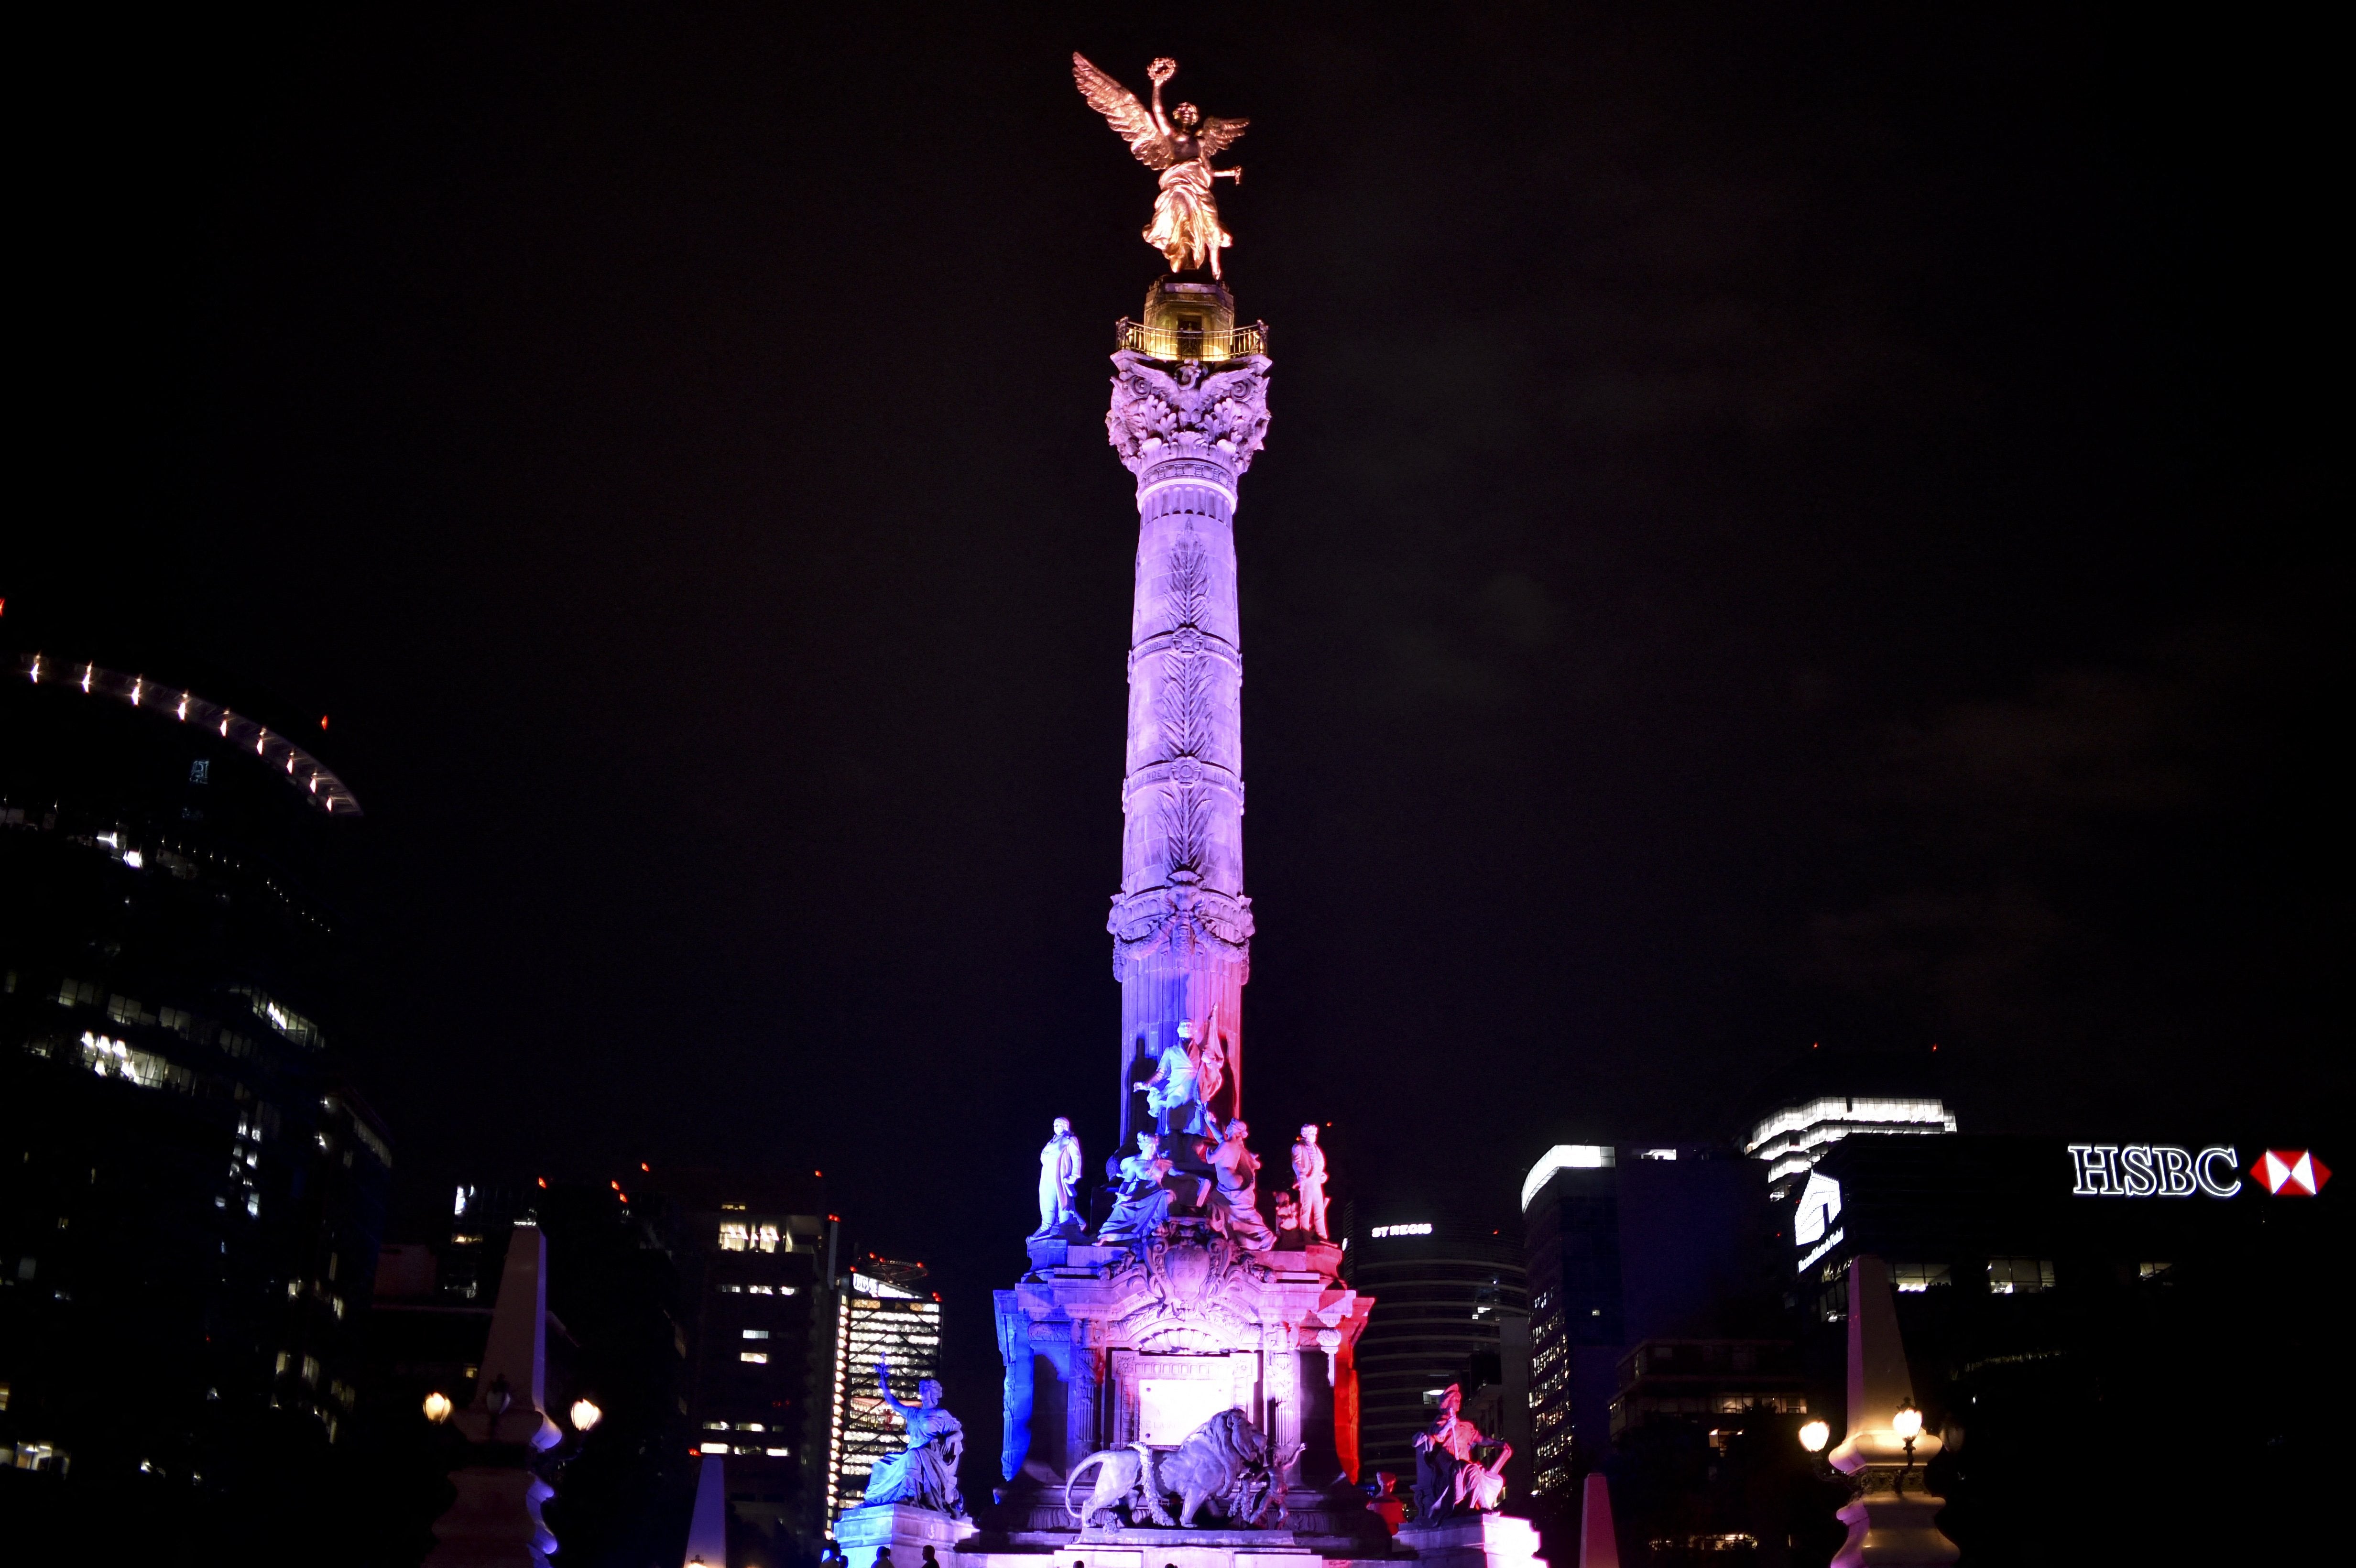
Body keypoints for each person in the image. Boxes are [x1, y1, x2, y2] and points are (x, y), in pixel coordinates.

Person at [863, 1362, 966, 1515]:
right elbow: (894, 1404)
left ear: (932, 1393)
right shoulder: (913, 1413)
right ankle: (875, 1500)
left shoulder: (940, 1414)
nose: (921, 1392)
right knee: (881, 1465)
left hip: (931, 1455)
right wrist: (884, 1383)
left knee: (914, 1455)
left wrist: (950, 1439)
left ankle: (911, 1494)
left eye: (925, 1390)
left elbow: (959, 1433)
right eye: (921, 1389)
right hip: (913, 1453)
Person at [1098, 1131, 1176, 1244]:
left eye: (1155, 1146)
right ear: (1145, 1146)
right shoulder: (1136, 1164)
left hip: (1155, 1194)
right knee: (1122, 1207)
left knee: (1166, 1196)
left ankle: (1159, 1227)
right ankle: (1108, 1236)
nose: (1154, 1148)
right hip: (1138, 1194)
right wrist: (1122, 1195)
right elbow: (1127, 1182)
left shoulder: (1161, 1163)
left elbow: (1177, 1173)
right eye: (1152, 1146)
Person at [1209, 1118, 1276, 1250]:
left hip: (1231, 1183)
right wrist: (1209, 1122)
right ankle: (1257, 1235)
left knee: (1245, 1212)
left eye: (1229, 1126)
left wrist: (1208, 1153)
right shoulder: (1233, 1145)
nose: (1226, 1127)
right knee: (1240, 1210)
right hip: (1232, 1181)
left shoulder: (1226, 1145)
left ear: (1234, 1129)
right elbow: (1220, 1138)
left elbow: (1211, 1160)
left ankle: (1266, 1235)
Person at [1033, 1117, 1085, 1236]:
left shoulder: (1070, 1139)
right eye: (1054, 1125)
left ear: (1065, 1126)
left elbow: (1077, 1157)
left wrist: (1075, 1175)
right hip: (1047, 1175)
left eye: (1058, 1125)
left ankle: (1068, 1226)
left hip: (1061, 1175)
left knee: (1064, 1202)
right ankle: (1046, 1226)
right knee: (1047, 1200)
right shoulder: (1051, 1142)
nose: (1055, 1128)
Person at [1290, 1124, 1329, 1241]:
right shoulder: (1299, 1147)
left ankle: (1322, 1235)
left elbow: (1319, 1164)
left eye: (1315, 1134)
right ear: (1306, 1134)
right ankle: (1305, 1232)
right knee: (1306, 1207)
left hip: (1316, 1181)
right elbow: (1296, 1163)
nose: (1314, 1136)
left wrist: (1321, 1173)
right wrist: (1301, 1174)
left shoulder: (1316, 1148)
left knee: (1319, 1209)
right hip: (1307, 1180)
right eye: (1312, 1134)